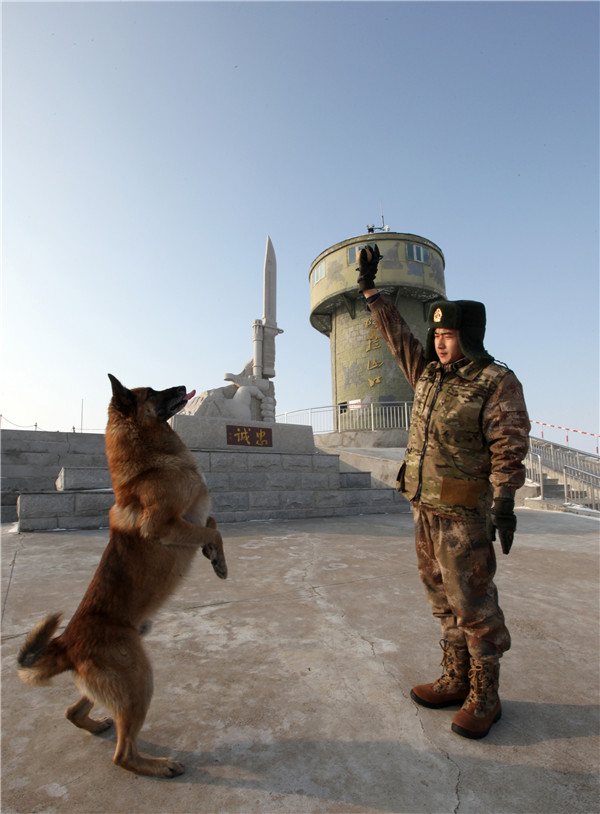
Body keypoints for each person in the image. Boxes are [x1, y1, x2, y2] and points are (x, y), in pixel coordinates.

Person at [357, 245, 530, 739]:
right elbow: (397, 339)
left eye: (448, 335)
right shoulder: (428, 374)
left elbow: (509, 442)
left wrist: (505, 500)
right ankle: (455, 678)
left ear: (468, 337)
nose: (438, 343)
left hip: (463, 515)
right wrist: (371, 292)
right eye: (436, 334)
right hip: (423, 507)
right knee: (440, 599)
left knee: (473, 602)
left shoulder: (496, 381)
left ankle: (485, 696)